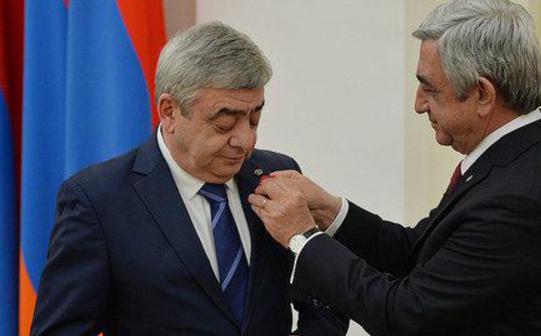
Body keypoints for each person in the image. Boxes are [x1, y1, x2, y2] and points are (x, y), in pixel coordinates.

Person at [249, 0, 541, 335]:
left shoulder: (520, 198)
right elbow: (417, 252)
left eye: (429, 87)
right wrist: (329, 211)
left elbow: (404, 315)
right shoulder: (511, 158)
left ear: (483, 94)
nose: (418, 104)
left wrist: (302, 237)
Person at [31, 22, 347, 336]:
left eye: (254, 118)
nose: (246, 140)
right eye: (225, 122)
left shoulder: (276, 174)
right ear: (169, 111)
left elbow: (325, 300)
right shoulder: (98, 200)